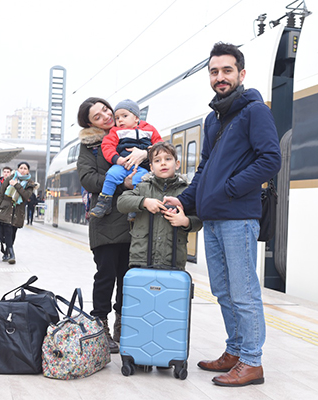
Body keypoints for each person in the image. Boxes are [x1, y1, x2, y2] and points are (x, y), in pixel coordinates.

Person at [165, 42, 281, 387]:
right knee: (224, 291)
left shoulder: (254, 111)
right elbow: (204, 169)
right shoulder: (213, 119)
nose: (220, 77)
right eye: (214, 71)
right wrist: (184, 200)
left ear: (241, 74)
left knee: (244, 293)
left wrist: (230, 189)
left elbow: (270, 159)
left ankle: (252, 361)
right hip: (214, 219)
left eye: (227, 70)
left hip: (239, 217)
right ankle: (235, 350)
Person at [76, 97, 148, 353]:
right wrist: (121, 183)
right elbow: (87, 178)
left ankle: (123, 324)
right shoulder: (90, 146)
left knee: (129, 277)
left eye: (106, 110)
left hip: (134, 219)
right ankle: (100, 326)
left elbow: (159, 160)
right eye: (97, 116)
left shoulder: (135, 133)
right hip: (105, 221)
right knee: (105, 276)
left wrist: (147, 153)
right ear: (89, 124)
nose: (106, 116)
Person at [117, 142, 202, 270]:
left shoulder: (186, 192)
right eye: (157, 160)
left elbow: (198, 221)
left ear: (177, 164)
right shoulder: (143, 187)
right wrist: (144, 202)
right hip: (142, 259)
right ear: (151, 167)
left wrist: (185, 221)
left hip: (173, 261)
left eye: (168, 159)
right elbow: (121, 202)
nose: (163, 163)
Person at [89, 99, 162, 219]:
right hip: (122, 165)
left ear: (136, 118)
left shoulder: (149, 129)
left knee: (141, 180)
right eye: (117, 118)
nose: (120, 120)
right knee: (111, 175)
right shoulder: (116, 131)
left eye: (124, 116)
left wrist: (149, 151)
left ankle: (134, 207)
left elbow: (160, 145)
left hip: (140, 168)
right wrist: (116, 159)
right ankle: (104, 202)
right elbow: (107, 146)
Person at [0, 162, 36, 264]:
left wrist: (16, 185)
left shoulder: (30, 183)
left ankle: (6, 252)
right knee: (7, 231)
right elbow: (1, 195)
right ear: (17, 169)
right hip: (6, 209)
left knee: (13, 233)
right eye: (21, 168)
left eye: (25, 168)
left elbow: (26, 196)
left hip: (18, 211)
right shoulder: (10, 178)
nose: (22, 170)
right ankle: (12, 254)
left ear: (28, 171)